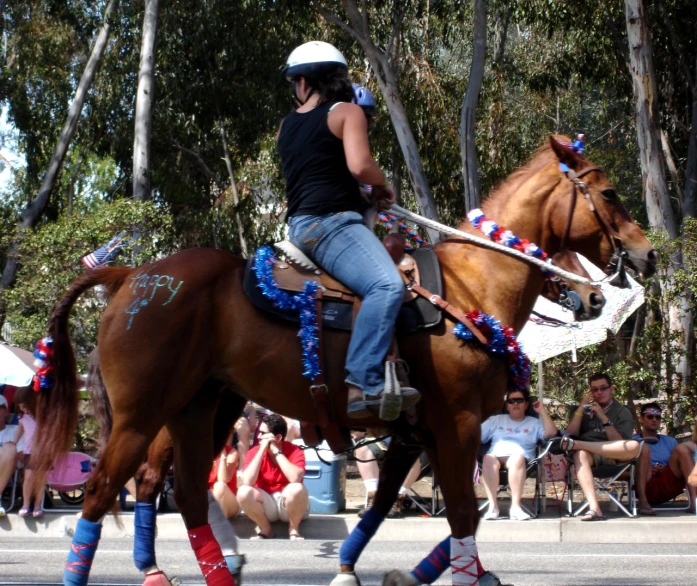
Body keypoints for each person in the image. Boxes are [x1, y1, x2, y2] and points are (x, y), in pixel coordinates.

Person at [279, 40, 420, 421]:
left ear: (303, 81)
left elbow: (319, 175)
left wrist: (359, 194)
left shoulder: (286, 125)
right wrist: (382, 185)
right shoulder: (347, 113)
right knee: (387, 285)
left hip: (301, 225)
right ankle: (363, 381)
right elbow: (360, 165)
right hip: (333, 225)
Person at [563, 373, 639, 521]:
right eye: (594, 389)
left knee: (634, 446)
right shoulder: (582, 410)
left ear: (611, 389)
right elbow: (569, 434)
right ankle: (594, 508)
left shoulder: (622, 411)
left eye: (603, 388)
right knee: (579, 454)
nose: (599, 392)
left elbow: (620, 443)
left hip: (614, 455)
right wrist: (580, 407)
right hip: (590, 455)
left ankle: (579, 445)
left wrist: (603, 417)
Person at [479, 388, 558, 521]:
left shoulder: (534, 423)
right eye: (511, 401)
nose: (515, 404)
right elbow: (475, 436)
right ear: (507, 405)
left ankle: (515, 508)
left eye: (519, 400)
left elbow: (552, 434)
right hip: (495, 457)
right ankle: (493, 507)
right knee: (487, 458)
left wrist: (542, 412)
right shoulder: (496, 420)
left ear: (526, 404)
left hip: (521, 460)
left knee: (516, 458)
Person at [237, 413, 309, 540]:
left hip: (291, 506)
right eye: (259, 432)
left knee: (297, 488)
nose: (258, 437)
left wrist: (276, 451)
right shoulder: (254, 452)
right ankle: (266, 530)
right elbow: (247, 481)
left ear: (278, 437)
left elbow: (295, 479)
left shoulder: (295, 451)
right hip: (266, 505)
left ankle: (294, 530)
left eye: (263, 433)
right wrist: (261, 450)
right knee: (243, 491)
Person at [634, 402, 697, 515]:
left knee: (681, 449)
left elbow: (676, 465)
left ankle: (694, 502)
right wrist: (649, 469)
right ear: (641, 419)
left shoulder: (670, 441)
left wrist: (664, 468)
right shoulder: (632, 440)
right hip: (645, 483)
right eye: (650, 416)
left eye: (657, 417)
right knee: (644, 448)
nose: (654, 420)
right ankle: (643, 503)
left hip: (668, 482)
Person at [352, 430, 422, 518]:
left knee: (410, 453)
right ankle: (375, 499)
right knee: (362, 449)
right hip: (383, 441)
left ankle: (396, 498)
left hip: (417, 445)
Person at [12, 386, 46, 518]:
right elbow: (20, 430)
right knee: (28, 478)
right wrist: (14, 442)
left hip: (43, 452)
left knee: (41, 479)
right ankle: (26, 504)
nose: (22, 409)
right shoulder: (22, 416)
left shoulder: (43, 414)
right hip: (29, 451)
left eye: (24, 406)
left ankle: (37, 505)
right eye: (20, 406)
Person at [0, 394, 25, 516]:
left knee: (9, 449)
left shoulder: (15, 430)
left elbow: (21, 458)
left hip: (8, 466)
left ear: (5, 410)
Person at [209, 430, 240, 519]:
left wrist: (222, 453)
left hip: (229, 502)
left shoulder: (232, 452)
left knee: (220, 486)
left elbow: (224, 479)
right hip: (209, 501)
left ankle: (218, 524)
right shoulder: (202, 453)